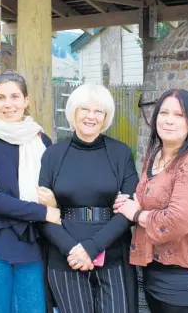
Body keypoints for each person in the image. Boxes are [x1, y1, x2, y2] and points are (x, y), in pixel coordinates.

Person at [114, 89, 188, 313]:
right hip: (154, 272)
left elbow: (177, 221)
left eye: (179, 115)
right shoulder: (155, 155)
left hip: (186, 280)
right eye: (164, 113)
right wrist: (127, 204)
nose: (169, 120)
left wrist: (136, 214)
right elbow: (146, 200)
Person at [0, 72, 61, 313]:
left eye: (15, 96)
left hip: (31, 243)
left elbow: (53, 187)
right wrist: (43, 211)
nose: (9, 104)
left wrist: (53, 204)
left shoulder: (41, 140)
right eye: (1, 97)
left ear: (26, 100)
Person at [38, 83, 139, 313]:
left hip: (112, 253)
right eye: (85, 109)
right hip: (66, 256)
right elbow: (43, 213)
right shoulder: (53, 155)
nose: (91, 116)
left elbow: (129, 211)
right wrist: (73, 250)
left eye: (98, 111)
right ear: (73, 111)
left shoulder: (120, 153)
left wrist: (91, 248)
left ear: (106, 117)